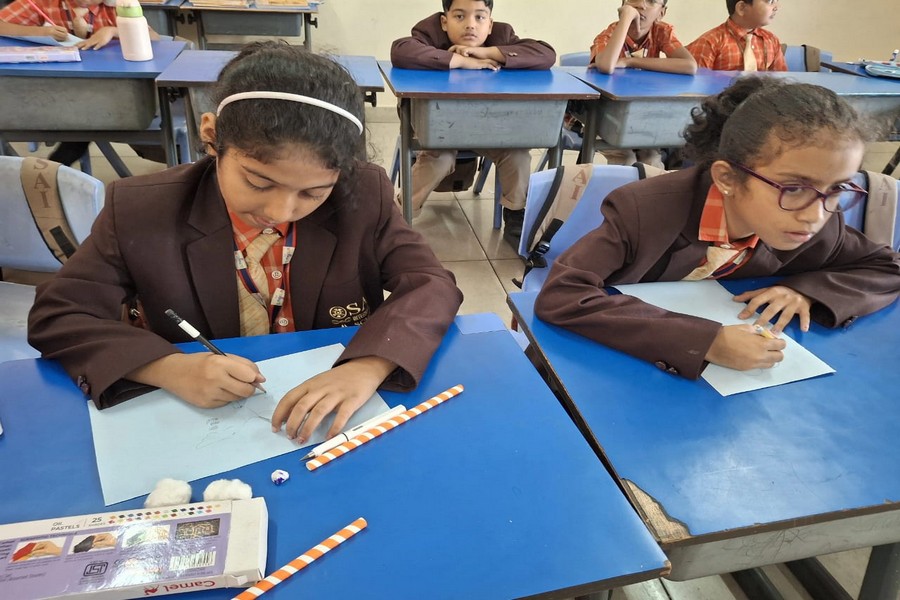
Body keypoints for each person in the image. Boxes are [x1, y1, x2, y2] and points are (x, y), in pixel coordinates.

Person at [28, 41, 464, 445]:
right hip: (200, 424)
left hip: (326, 418)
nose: (281, 210)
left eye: (313, 193)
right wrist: (168, 368)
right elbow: (60, 314)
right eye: (258, 182)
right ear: (212, 135)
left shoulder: (363, 194)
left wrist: (369, 364)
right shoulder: (142, 210)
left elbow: (430, 283)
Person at [535, 76, 900, 379]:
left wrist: (806, 292)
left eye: (837, 189)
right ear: (727, 178)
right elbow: (563, 294)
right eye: (793, 188)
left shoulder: (821, 225)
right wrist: (705, 341)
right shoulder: (644, 211)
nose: (815, 215)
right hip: (612, 368)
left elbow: (887, 267)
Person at [390, 0, 556, 246]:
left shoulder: (502, 35)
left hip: (484, 127)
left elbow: (546, 54)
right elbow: (401, 51)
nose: (470, 25)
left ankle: (516, 217)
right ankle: (400, 215)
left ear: (490, 24)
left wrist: (489, 53)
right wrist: (459, 61)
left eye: (480, 17)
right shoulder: (429, 33)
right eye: (459, 16)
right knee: (441, 158)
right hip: (436, 125)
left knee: (517, 153)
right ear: (444, 21)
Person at [0, 0, 161, 166]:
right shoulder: (45, 2)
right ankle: (49, 169)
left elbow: (155, 37)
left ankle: (52, 167)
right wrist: (40, 32)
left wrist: (112, 30)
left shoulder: (115, 7)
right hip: (60, 93)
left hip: (109, 94)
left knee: (88, 120)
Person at [588, 0, 695, 169]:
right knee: (626, 158)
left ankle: (649, 186)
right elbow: (607, 66)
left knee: (652, 160)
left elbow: (690, 66)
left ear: (661, 13)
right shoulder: (609, 35)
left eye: (651, 1)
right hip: (606, 117)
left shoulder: (661, 32)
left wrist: (630, 62)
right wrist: (626, 19)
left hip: (644, 117)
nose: (641, 5)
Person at [687, 0, 787, 71]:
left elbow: (782, 82)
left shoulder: (771, 40)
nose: (777, 7)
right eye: (770, 1)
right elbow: (697, 87)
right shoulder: (709, 42)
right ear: (741, 8)